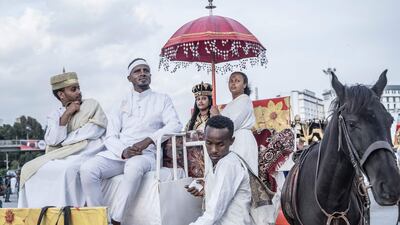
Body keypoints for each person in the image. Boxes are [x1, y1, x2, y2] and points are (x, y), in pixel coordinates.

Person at [80, 58, 182, 225]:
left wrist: (149, 140)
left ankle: (116, 219)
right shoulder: (121, 102)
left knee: (134, 166)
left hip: (147, 154)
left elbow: (175, 125)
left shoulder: (162, 99)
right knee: (87, 169)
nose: (142, 73)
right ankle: (99, 220)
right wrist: (123, 151)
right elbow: (110, 135)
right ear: (129, 78)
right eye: (137, 71)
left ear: (150, 75)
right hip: (120, 153)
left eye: (145, 70)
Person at [18, 71, 107, 208]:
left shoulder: (91, 105)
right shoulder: (55, 115)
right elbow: (53, 141)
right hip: (62, 154)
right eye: (73, 89)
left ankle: (66, 214)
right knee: (28, 168)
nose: (78, 92)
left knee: (67, 170)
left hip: (87, 150)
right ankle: (39, 215)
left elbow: (94, 130)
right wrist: (67, 113)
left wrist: (64, 141)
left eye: (78, 88)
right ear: (61, 94)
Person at [186, 115, 254, 225]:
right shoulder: (221, 161)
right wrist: (206, 191)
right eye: (209, 143)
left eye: (220, 144)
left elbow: (213, 213)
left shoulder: (228, 164)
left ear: (231, 141)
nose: (213, 150)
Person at [210, 71, 259, 175]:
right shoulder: (231, 104)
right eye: (231, 81)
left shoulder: (244, 100)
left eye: (237, 81)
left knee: (242, 175)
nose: (233, 83)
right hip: (233, 142)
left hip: (242, 141)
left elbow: (231, 124)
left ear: (244, 85)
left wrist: (216, 115)